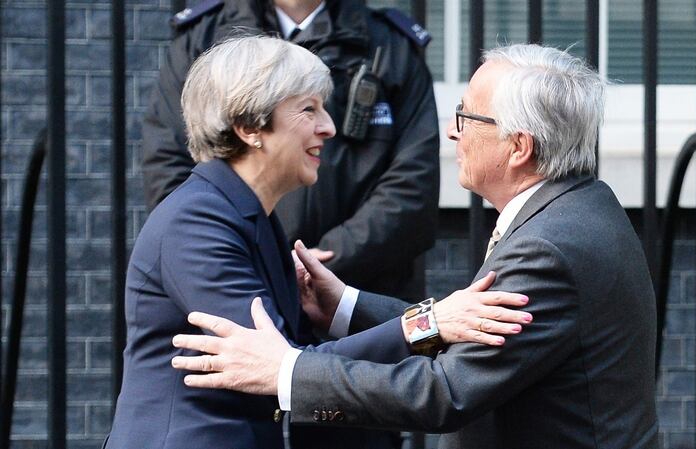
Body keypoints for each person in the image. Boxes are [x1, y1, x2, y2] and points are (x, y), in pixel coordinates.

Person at [171, 43, 660, 449]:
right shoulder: (579, 209)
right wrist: (346, 306)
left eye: (467, 116)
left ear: (519, 146)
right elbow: (470, 335)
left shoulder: (549, 247)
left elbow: (444, 392)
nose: (453, 131)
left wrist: (287, 371)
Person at [105, 36, 530, 449]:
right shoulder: (198, 223)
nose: (328, 127)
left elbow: (291, 363)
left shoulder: (247, 215)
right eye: (308, 110)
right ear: (250, 125)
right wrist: (428, 324)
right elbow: (272, 366)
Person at [142, 0, 439, 303]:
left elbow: (413, 182)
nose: (327, 128)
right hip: (240, 277)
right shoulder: (201, 40)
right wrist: (261, 260)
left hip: (363, 293)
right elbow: (171, 167)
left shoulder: (391, 45)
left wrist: (313, 264)